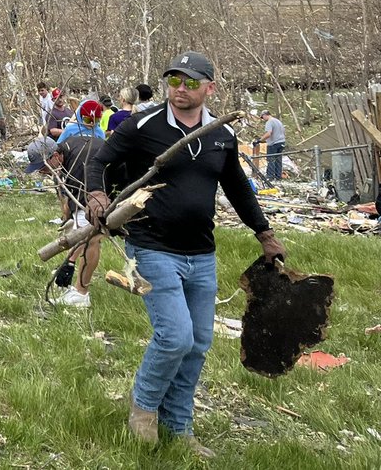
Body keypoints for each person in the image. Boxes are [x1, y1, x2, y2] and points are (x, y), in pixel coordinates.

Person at [84, 50, 284, 458]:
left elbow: (238, 188)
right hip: (152, 246)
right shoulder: (143, 125)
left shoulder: (221, 135)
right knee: (174, 337)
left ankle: (179, 425)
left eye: (191, 82)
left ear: (209, 87)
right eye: (174, 80)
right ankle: (143, 412)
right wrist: (96, 192)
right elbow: (100, 160)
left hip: (202, 253)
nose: (180, 89)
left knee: (198, 342)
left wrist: (264, 233)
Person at [48, 133, 105, 309]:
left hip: (111, 188)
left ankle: (81, 294)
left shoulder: (79, 162)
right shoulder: (70, 144)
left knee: (91, 237)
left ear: (56, 156)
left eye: (46, 167)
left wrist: (69, 262)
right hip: (102, 185)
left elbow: (83, 216)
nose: (46, 171)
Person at [257, 110, 286, 181]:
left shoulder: (269, 122)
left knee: (271, 160)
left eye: (262, 117)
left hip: (273, 144)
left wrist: (260, 140)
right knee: (278, 160)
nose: (262, 119)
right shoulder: (278, 121)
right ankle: (278, 176)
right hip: (281, 142)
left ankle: (270, 177)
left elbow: (268, 133)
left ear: (265, 115)